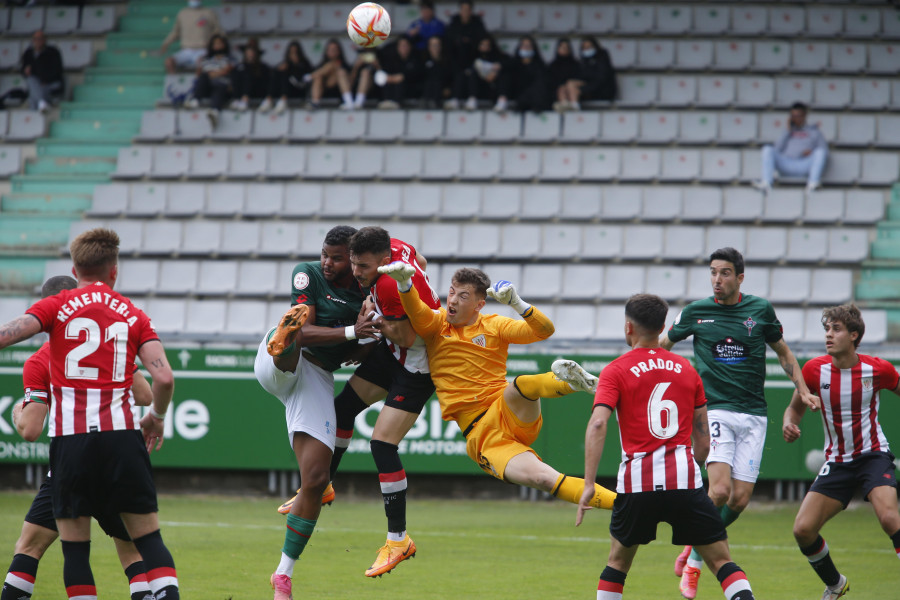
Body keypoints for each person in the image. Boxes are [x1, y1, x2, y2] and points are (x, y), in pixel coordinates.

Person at [0, 228, 180, 600]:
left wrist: (22, 407)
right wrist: (157, 418)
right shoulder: (131, 314)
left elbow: (8, 334)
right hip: (122, 441)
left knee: (74, 552)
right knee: (147, 542)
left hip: (73, 444)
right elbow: (161, 378)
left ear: (75, 266)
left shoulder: (56, 309)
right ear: (114, 271)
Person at [377, 262, 617, 520]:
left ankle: (571, 383)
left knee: (520, 385)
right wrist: (405, 284)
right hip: (484, 436)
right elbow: (418, 312)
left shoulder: (494, 325)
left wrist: (517, 303)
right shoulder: (437, 325)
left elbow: (544, 331)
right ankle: (628, 503)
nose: (453, 300)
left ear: (479, 304)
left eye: (463, 295)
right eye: (452, 292)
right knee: (544, 479)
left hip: (507, 410)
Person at [280, 227, 439, 578]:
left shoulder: (385, 285)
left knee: (382, 444)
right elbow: (422, 262)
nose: (355, 272)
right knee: (342, 410)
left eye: (362, 267)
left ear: (384, 262)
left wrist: (372, 317)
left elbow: (407, 334)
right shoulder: (397, 250)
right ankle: (322, 487)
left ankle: (399, 539)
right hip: (393, 353)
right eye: (352, 263)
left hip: (417, 363)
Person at [662, 247, 819, 600]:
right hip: (713, 410)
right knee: (718, 491)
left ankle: (692, 548)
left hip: (754, 414)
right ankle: (695, 566)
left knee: (740, 499)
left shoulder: (760, 310)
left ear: (740, 277)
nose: (718, 280)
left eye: (725, 273)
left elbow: (783, 353)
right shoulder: (695, 312)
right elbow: (663, 346)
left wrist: (804, 391)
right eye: (714, 273)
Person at [578, 294, 757, 600]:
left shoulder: (615, 370)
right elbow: (702, 440)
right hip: (683, 482)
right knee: (721, 561)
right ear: (662, 326)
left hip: (636, 485)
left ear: (628, 328)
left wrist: (590, 483)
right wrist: (692, 469)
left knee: (618, 564)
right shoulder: (687, 370)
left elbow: (597, 424)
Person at [254, 225, 379, 600]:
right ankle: (282, 341)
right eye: (325, 253)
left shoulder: (367, 292)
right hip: (285, 362)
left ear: (354, 260)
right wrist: (352, 334)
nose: (327, 262)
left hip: (317, 378)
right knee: (295, 333)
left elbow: (369, 339)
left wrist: (365, 341)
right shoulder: (306, 272)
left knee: (315, 477)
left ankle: (283, 577)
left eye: (337, 258)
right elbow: (310, 330)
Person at [783, 304, 900, 600]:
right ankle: (836, 585)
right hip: (837, 462)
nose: (828, 335)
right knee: (803, 530)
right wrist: (789, 424)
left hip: (873, 454)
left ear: (854, 335)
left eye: (836, 329)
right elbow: (794, 409)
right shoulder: (813, 370)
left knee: (889, 519)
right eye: (826, 329)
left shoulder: (878, 369)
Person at [754, 102, 829, 195]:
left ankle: (813, 183)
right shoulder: (787, 131)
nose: (796, 118)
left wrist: (812, 152)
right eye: (793, 116)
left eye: (798, 115)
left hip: (804, 165)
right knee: (767, 149)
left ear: (805, 115)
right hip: (786, 164)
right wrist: (787, 131)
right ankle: (766, 183)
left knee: (820, 152)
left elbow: (824, 151)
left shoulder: (815, 132)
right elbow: (776, 150)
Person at [444, 0, 487, 109]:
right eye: (463, 10)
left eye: (467, 10)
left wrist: (468, 42)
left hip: (474, 57)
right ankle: (455, 98)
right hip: (456, 58)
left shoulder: (477, 23)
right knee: (457, 70)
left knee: (471, 70)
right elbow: (449, 41)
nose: (465, 12)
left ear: (471, 11)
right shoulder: (454, 23)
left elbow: (481, 40)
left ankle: (472, 99)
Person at [186, 33, 235, 128]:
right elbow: (201, 73)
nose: (217, 46)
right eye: (215, 44)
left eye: (220, 43)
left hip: (223, 86)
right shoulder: (206, 59)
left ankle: (214, 111)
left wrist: (213, 73)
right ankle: (195, 100)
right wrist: (216, 73)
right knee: (204, 77)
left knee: (219, 86)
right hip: (208, 86)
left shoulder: (230, 58)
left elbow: (228, 69)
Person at [160, 0, 222, 74]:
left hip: (203, 49)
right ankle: (174, 83)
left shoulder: (208, 12)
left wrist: (215, 44)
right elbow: (175, 32)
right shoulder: (183, 13)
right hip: (186, 50)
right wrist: (166, 43)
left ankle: (199, 83)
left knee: (202, 62)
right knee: (169, 62)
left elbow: (217, 30)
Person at [258, 41, 313, 114]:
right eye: (291, 52)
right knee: (279, 74)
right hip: (286, 89)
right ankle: (269, 99)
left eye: (295, 52)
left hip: (299, 89)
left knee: (284, 75)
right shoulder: (286, 63)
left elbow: (305, 79)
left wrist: (295, 66)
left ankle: (283, 99)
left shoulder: (304, 63)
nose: (293, 55)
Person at [459, 35, 509, 111]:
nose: (485, 47)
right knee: (472, 73)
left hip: (494, 87)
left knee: (504, 74)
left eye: (487, 45)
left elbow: (510, 63)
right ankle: (472, 99)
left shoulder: (498, 57)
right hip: (479, 88)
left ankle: (502, 99)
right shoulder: (473, 56)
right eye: (482, 44)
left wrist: (495, 71)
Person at [371, 36, 423, 109]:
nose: (403, 48)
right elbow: (384, 74)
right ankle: (386, 101)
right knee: (386, 81)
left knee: (400, 83)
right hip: (391, 86)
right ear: (397, 47)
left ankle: (396, 103)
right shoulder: (392, 59)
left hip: (410, 88)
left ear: (410, 47)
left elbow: (415, 74)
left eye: (405, 45)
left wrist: (402, 77)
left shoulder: (415, 59)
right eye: (401, 46)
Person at [20, 30, 63, 113]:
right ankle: (41, 102)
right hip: (36, 83)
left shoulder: (53, 52)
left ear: (45, 40)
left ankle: (35, 111)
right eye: (36, 39)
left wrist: (46, 80)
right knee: (31, 80)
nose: (38, 41)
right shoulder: (28, 53)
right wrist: (26, 71)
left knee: (32, 96)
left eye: (40, 39)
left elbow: (57, 70)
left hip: (50, 83)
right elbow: (23, 70)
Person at [508, 35, 550, 113]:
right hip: (518, 96)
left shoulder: (540, 66)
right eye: (524, 46)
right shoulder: (513, 65)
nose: (526, 48)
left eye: (529, 46)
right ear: (519, 48)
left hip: (536, 99)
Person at [308, 38, 353, 110]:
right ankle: (315, 102)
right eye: (330, 50)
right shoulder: (321, 65)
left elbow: (351, 79)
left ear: (339, 51)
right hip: (323, 91)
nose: (332, 52)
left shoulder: (344, 65)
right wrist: (328, 68)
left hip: (339, 91)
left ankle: (349, 102)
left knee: (340, 71)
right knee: (320, 74)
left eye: (334, 50)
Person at [230, 38, 270, 111]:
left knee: (248, 77)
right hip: (240, 92)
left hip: (257, 91)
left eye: (252, 52)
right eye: (248, 52)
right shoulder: (239, 67)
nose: (250, 55)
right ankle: (237, 99)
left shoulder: (262, 67)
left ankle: (245, 99)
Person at [549, 38, 581, 112]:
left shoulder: (576, 64)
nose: (564, 49)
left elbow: (579, 77)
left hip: (575, 90)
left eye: (566, 47)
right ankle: (565, 106)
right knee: (561, 89)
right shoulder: (553, 66)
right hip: (557, 92)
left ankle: (574, 106)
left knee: (570, 85)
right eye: (562, 47)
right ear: (558, 49)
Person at [421, 36, 451, 108]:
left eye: (437, 45)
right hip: (426, 89)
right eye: (432, 45)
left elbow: (450, 76)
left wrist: (449, 87)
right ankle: (427, 101)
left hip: (442, 89)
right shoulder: (423, 59)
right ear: (429, 47)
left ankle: (434, 102)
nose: (435, 47)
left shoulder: (447, 60)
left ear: (441, 46)